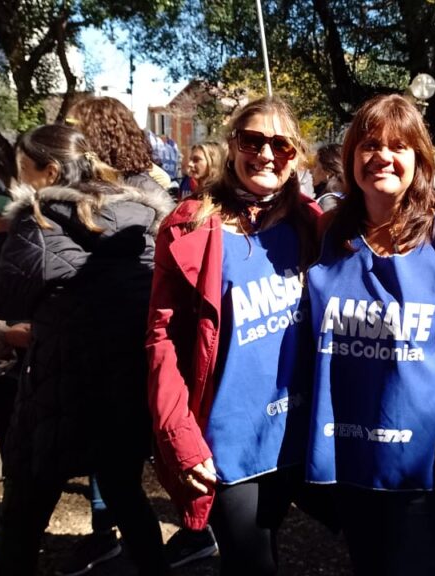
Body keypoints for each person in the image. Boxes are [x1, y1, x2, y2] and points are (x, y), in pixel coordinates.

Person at [306, 94, 435, 575]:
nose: (382, 156)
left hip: (419, 462)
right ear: (351, 156)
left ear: (419, 160)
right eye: (369, 145)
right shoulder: (328, 231)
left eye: (398, 146)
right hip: (347, 454)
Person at [0, 124, 173, 576]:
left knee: (25, 506)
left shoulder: (38, 220)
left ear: (49, 172)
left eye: (24, 169)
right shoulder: (141, 215)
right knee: (125, 491)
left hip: (58, 382)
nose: (20, 180)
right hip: (124, 379)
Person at [146, 97, 325, 576]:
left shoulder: (310, 223)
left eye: (281, 145)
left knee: (266, 548)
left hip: (295, 435)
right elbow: (162, 342)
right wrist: (179, 439)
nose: (266, 154)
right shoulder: (189, 226)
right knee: (251, 564)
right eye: (253, 140)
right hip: (229, 442)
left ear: (296, 155)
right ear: (232, 145)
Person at [60, 94, 220, 574]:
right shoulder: (135, 189)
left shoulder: (127, 196)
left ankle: (180, 537)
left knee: (129, 461)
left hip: (133, 344)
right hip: (127, 343)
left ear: (95, 138)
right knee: (123, 461)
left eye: (75, 131)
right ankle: (125, 536)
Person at [313, 143, 345, 211]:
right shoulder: (347, 197)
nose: (310, 171)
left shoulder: (328, 202)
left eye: (315, 165)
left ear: (328, 172)